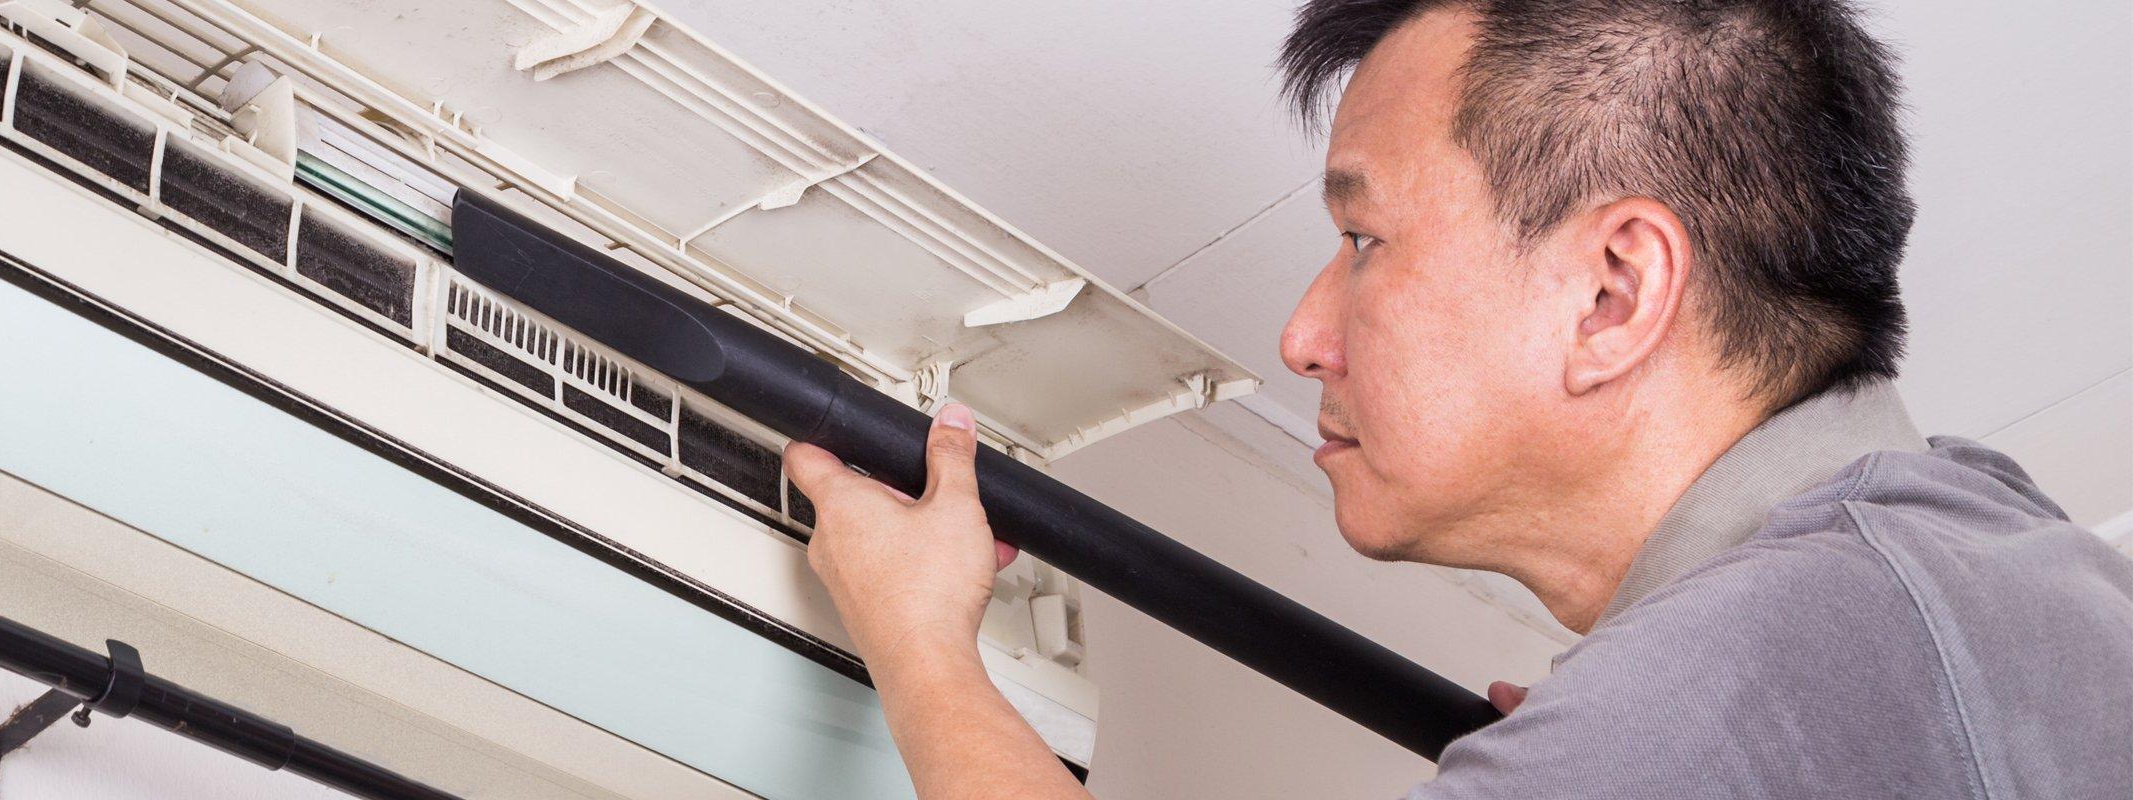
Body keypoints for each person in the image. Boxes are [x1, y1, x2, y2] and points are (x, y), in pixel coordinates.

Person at [784, 1, 2133, 797]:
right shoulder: (1997, 565)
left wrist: (923, 651)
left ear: (1613, 291)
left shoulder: (1727, 693)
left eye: (1365, 241)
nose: (1304, 332)